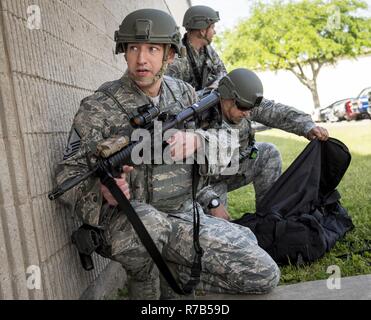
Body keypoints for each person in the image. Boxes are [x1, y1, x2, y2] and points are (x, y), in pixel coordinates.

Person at [55, 9, 280, 300]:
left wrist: (198, 140)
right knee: (150, 224)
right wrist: (102, 192)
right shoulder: (99, 106)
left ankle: (174, 277)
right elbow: (67, 177)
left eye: (152, 49)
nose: (141, 59)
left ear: (170, 55)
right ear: (124, 51)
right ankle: (147, 287)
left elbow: (229, 144)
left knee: (262, 272)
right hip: (127, 221)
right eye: (134, 48)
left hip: (183, 214)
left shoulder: (185, 95)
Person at [197, 68, 329, 221]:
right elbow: (185, 171)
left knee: (268, 153)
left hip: (235, 165)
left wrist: (307, 126)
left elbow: (276, 111)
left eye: (250, 109)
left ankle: (270, 219)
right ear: (226, 97)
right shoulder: (197, 111)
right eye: (243, 108)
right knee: (221, 230)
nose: (247, 113)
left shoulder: (245, 100)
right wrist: (212, 201)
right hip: (206, 180)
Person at [166, 5, 227, 95]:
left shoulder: (207, 50)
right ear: (202, 31)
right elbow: (172, 96)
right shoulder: (177, 58)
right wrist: (208, 91)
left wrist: (215, 85)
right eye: (212, 27)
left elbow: (223, 72)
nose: (215, 32)